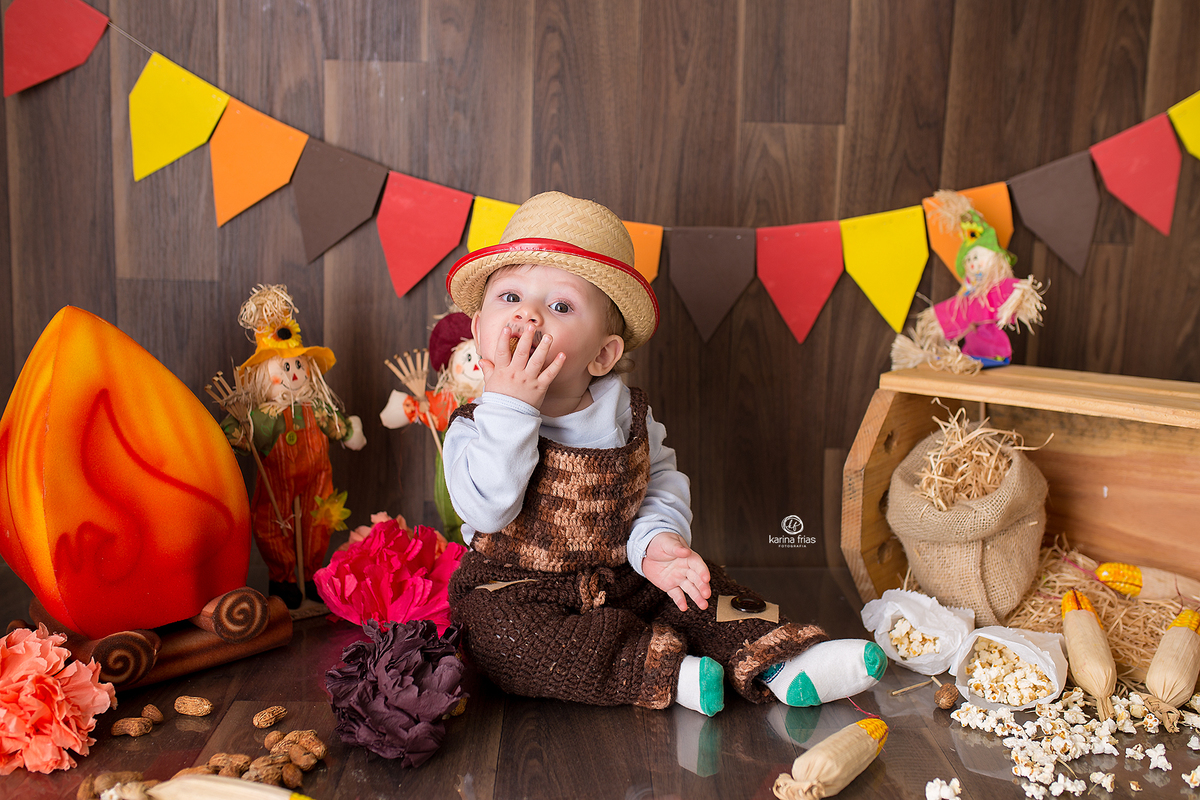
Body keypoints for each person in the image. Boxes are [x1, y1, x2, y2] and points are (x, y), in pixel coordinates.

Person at [443, 192, 885, 715]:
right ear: (479, 332)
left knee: (701, 587)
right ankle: (665, 671)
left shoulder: (627, 416)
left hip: (626, 576)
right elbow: (488, 509)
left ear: (604, 354)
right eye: (509, 297)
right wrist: (511, 408)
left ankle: (784, 655)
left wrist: (658, 545)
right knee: (500, 641)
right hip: (518, 591)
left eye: (560, 306)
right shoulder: (475, 425)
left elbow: (658, 484)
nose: (529, 316)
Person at [218, 285, 366, 609]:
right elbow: (243, 434)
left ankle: (311, 574)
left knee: (317, 524)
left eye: (299, 365)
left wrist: (348, 430)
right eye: (285, 367)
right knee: (274, 527)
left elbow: (338, 426)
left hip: (317, 482)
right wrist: (236, 435)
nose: (295, 372)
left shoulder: (318, 407)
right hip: (278, 486)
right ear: (262, 375)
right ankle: (283, 580)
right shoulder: (266, 414)